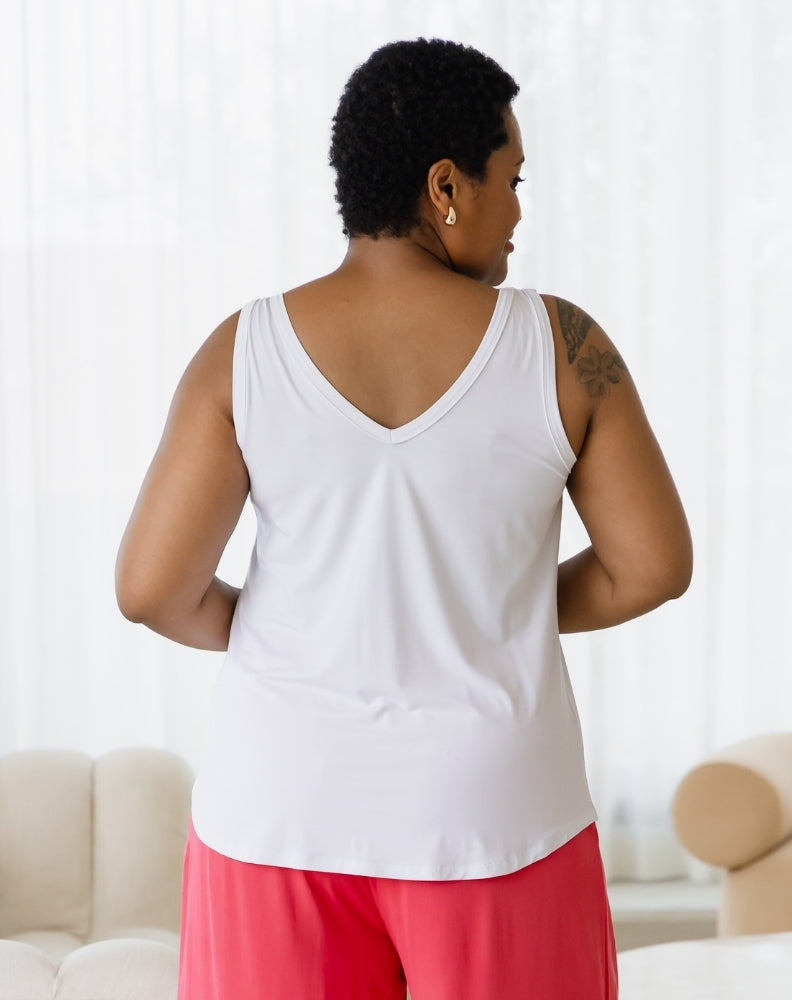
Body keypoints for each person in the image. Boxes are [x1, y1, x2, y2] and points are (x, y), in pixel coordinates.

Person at [116, 37, 692, 1000]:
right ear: (445, 187)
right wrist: (484, 610)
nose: (519, 211)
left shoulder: (242, 351)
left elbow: (148, 591)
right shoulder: (569, 346)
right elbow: (651, 567)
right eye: (512, 178)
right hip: (497, 818)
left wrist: (295, 625)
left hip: (278, 815)